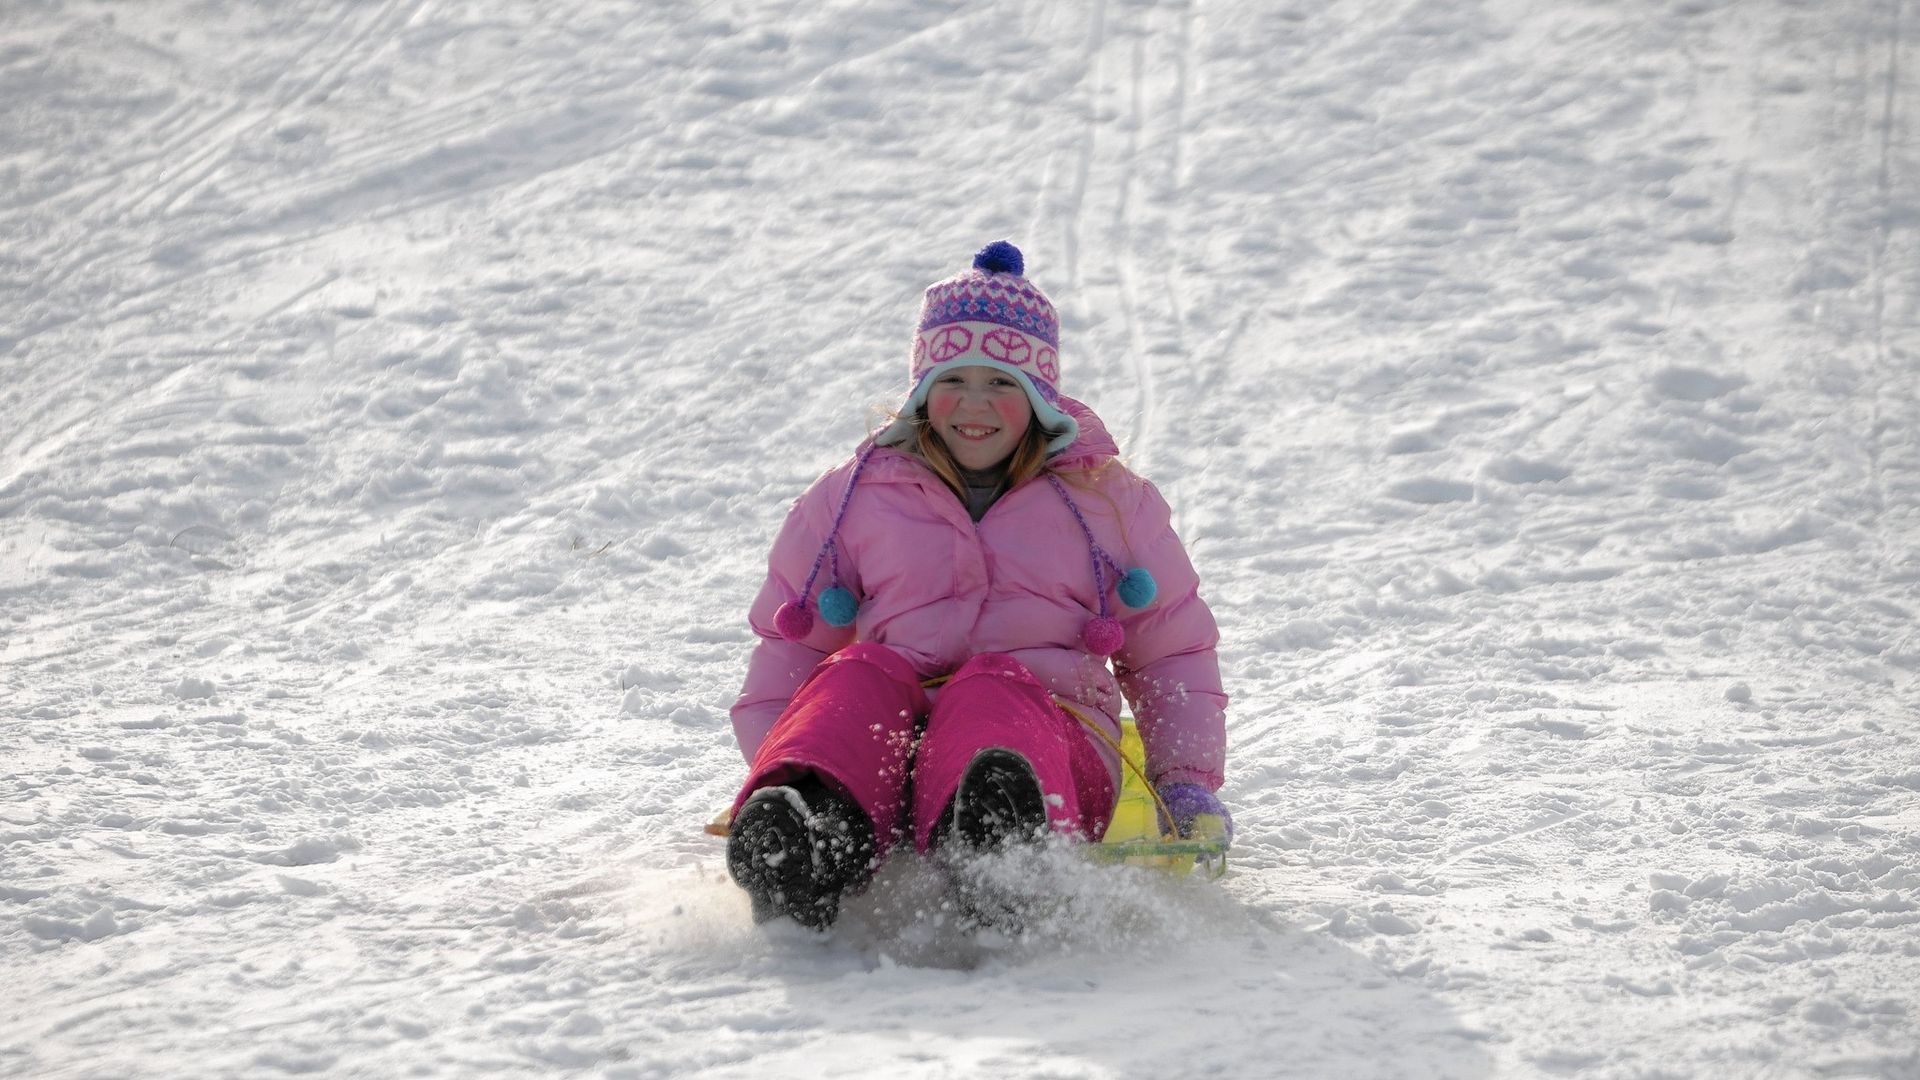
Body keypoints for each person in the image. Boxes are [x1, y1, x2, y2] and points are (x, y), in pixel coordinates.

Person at [725, 241, 1229, 928]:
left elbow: (1171, 651)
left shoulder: (1108, 502)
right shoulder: (855, 497)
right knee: (858, 671)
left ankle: (1000, 851)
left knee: (994, 683)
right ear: (921, 388)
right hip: (890, 764)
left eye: (1001, 383)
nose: (974, 403)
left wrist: (1185, 782)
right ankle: (808, 831)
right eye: (953, 379)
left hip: (1051, 760)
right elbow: (793, 646)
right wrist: (779, 759)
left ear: (1041, 396)